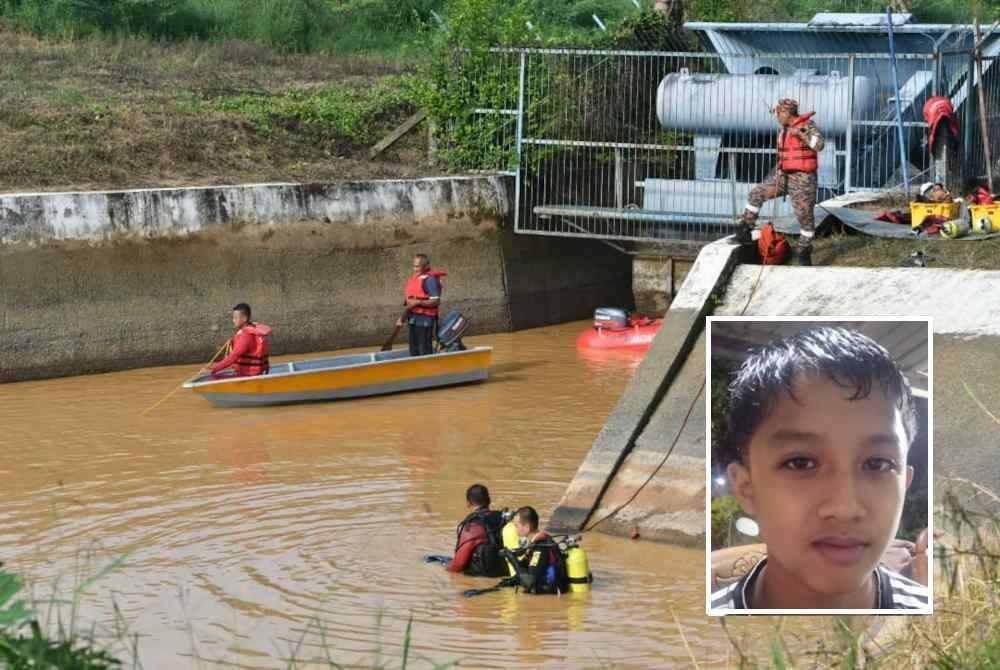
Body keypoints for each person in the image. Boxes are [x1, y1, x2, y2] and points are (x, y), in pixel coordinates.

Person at [710, 326, 930, 611]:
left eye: (878, 464)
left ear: (905, 482)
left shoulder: (944, 636)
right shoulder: (692, 637)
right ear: (746, 488)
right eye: (801, 463)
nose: (845, 508)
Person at [737, 98, 825, 267]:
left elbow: (819, 144)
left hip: (803, 178)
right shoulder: (782, 130)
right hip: (783, 175)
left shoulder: (807, 125)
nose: (777, 117)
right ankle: (744, 229)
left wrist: (801, 133)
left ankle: (804, 249)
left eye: (778, 114)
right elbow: (785, 153)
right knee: (757, 193)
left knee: (805, 217)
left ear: (786, 113)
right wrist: (778, 168)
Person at [446, 484, 508, 577]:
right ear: (489, 501)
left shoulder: (472, 527)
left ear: (468, 503)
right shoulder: (503, 519)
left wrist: (445, 570)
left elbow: (458, 564)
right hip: (505, 571)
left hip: (483, 577)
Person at [506, 506, 570, 595]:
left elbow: (529, 581)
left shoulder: (540, 548)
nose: (515, 529)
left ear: (527, 527)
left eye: (517, 526)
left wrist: (512, 559)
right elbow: (523, 569)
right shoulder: (536, 543)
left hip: (549, 597)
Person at [204, 303, 272, 378]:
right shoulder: (251, 329)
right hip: (255, 373)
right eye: (233, 318)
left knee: (212, 378)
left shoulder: (246, 334)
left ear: (244, 318)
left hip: (248, 375)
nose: (233, 320)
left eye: (235, 318)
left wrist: (214, 368)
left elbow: (234, 356)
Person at [398, 253, 444, 357]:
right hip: (413, 318)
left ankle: (428, 370)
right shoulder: (415, 279)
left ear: (426, 266)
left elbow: (436, 301)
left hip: (425, 320)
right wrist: (402, 317)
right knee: (414, 349)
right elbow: (410, 302)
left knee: (424, 349)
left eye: (418, 266)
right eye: (414, 266)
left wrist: (419, 302)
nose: (415, 269)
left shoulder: (430, 280)